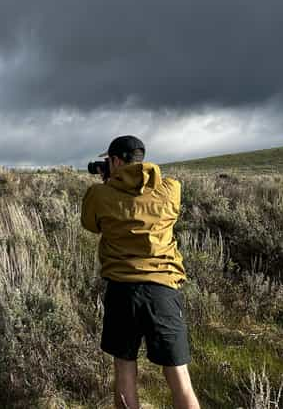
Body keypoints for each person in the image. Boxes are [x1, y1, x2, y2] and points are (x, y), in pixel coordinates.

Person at [81, 135, 200, 409]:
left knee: (124, 370)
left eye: (107, 161)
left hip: (122, 289)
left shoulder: (100, 194)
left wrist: (109, 184)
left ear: (114, 161)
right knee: (179, 376)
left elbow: (91, 224)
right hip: (163, 289)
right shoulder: (170, 189)